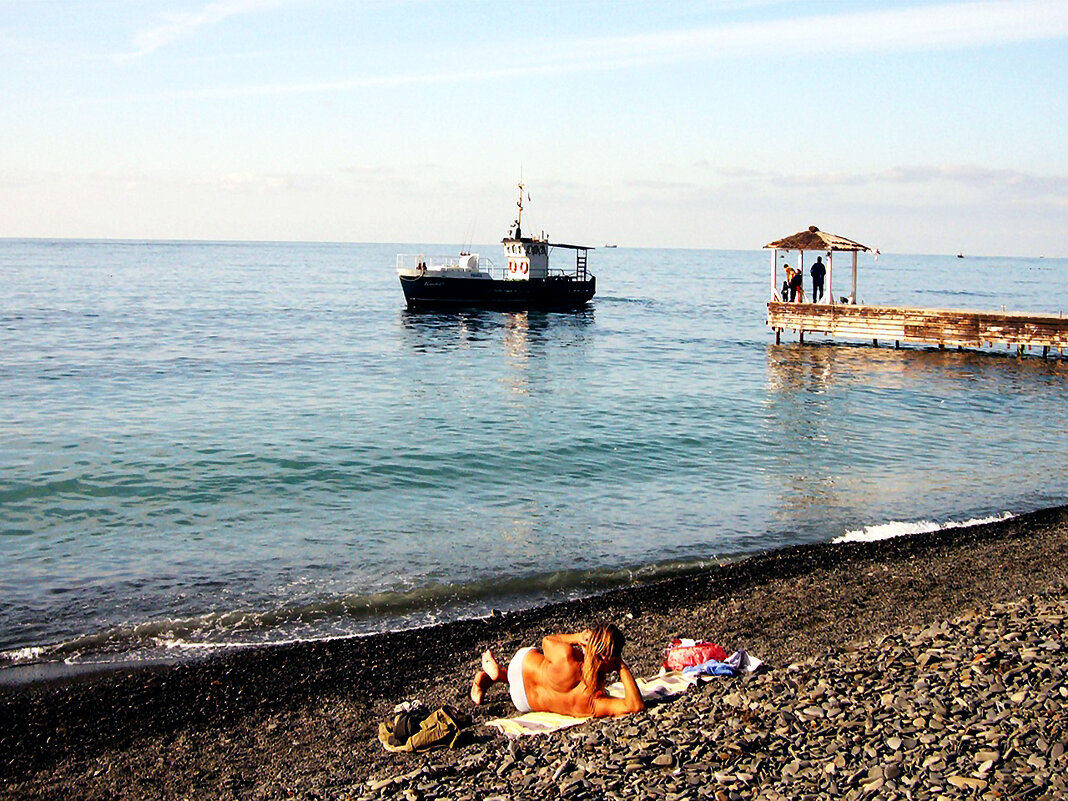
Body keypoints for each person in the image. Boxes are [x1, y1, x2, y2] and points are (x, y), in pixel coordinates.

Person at [470, 623, 645, 718]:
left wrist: (576, 638)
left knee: (542, 664)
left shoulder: (569, 657)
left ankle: (501, 674)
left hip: (521, 664)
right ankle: (500, 675)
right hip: (522, 702)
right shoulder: (594, 701)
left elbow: (547, 641)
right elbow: (635, 706)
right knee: (542, 679)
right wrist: (622, 666)